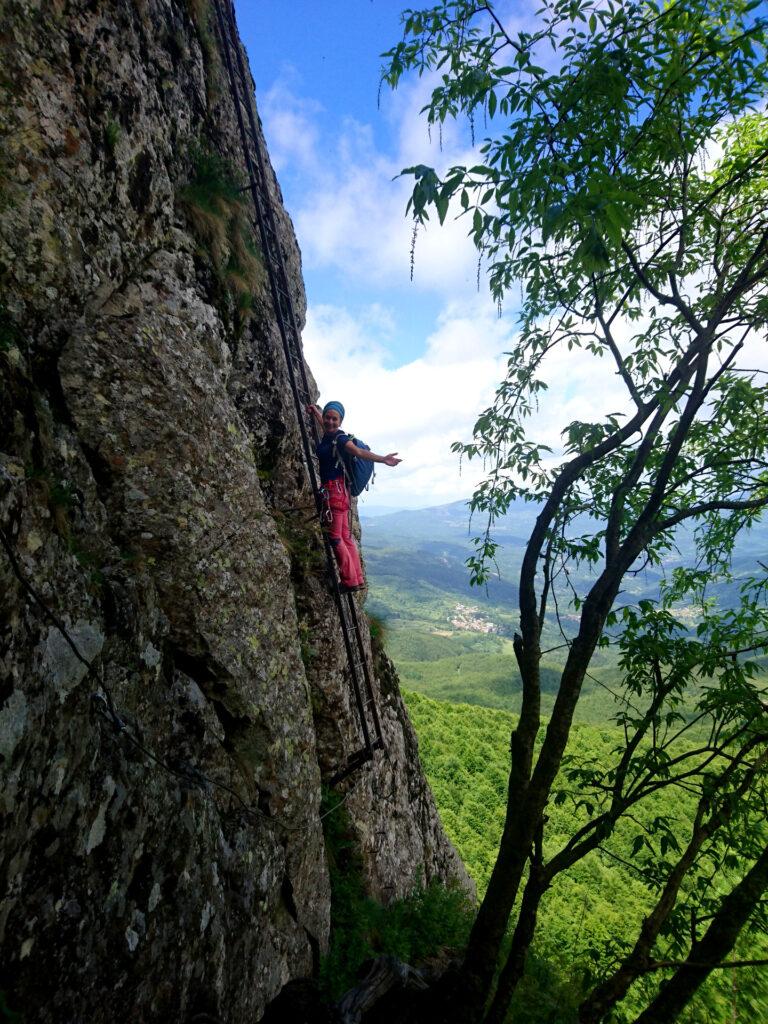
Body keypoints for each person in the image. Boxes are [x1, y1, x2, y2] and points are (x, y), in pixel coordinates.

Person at [306, 400, 402, 592]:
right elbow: (326, 427)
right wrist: (316, 412)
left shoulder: (340, 439)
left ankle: (349, 580)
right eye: (327, 417)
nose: (330, 421)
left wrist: (383, 459)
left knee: (335, 538)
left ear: (340, 421)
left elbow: (358, 451)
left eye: (334, 419)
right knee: (345, 537)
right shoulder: (330, 435)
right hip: (341, 493)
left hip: (334, 493)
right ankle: (356, 579)